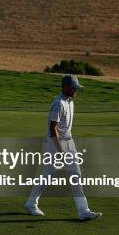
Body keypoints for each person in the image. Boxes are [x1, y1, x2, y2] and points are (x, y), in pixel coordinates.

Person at [24, 74, 102, 221]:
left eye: (76, 88)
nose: (75, 91)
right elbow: (52, 128)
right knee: (48, 175)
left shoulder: (70, 102)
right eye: (73, 88)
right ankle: (31, 203)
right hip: (55, 143)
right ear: (65, 87)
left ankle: (83, 211)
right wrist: (60, 150)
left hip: (68, 141)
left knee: (76, 175)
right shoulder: (58, 103)